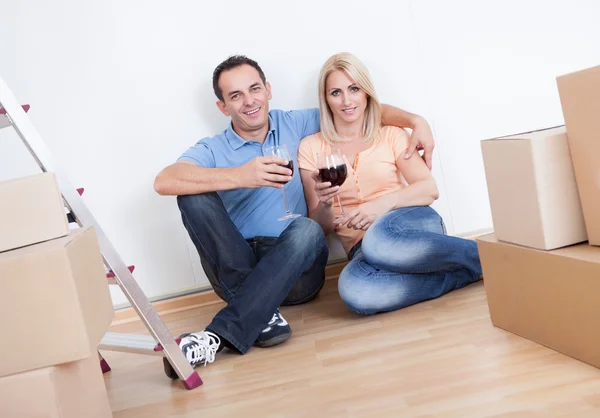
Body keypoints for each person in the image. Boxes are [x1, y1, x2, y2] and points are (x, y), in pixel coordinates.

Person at [154, 55, 436, 367]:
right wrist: (240, 176)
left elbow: (358, 108)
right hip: (237, 262)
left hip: (297, 267)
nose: (249, 101)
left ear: (268, 90)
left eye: (254, 89)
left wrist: (415, 121)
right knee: (191, 197)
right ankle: (263, 312)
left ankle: (219, 334)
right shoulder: (212, 148)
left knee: (307, 228)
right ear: (223, 107)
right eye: (236, 96)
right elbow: (164, 180)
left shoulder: (297, 123)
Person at [298, 52, 482, 316]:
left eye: (354, 89)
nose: (347, 100)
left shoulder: (390, 134)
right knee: (354, 291)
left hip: (410, 223)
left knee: (379, 240)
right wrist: (325, 203)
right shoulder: (311, 148)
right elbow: (320, 228)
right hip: (362, 248)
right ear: (325, 99)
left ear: (367, 93)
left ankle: (490, 257)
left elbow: (429, 189)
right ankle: (466, 272)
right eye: (336, 92)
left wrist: (379, 206)